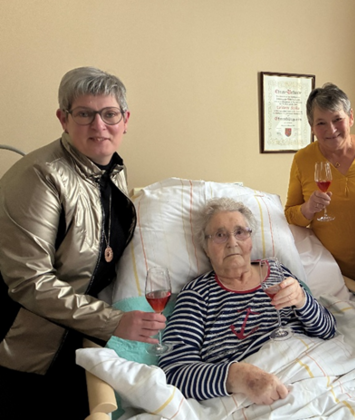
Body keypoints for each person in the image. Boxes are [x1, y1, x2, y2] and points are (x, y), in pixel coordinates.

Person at [0, 67, 166, 419]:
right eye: (85, 114)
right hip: (30, 348)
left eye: (109, 114)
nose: (99, 126)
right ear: (63, 119)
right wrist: (113, 321)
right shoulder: (39, 177)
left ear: (125, 120)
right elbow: (30, 282)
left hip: (81, 335)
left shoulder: (110, 170)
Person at [159, 197, 336, 404]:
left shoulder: (277, 273)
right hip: (255, 398)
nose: (232, 242)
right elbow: (173, 372)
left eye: (240, 232)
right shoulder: (197, 295)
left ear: (251, 241)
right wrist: (240, 377)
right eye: (220, 235)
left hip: (316, 377)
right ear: (206, 248)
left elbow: (328, 330)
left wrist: (303, 301)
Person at [285, 83, 355, 283]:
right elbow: (290, 215)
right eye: (321, 123)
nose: (331, 129)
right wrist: (308, 208)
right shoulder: (302, 159)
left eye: (338, 119)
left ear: (351, 117)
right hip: (329, 275)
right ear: (311, 127)